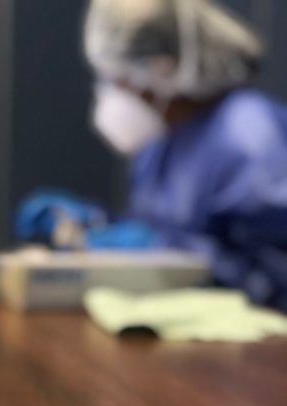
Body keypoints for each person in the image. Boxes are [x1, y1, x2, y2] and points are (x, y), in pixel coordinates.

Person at [84, 0, 287, 311]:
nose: (111, 92)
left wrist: (164, 251)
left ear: (163, 70)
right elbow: (156, 225)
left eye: (119, 79)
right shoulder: (161, 140)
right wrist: (94, 224)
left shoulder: (248, 135)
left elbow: (274, 277)